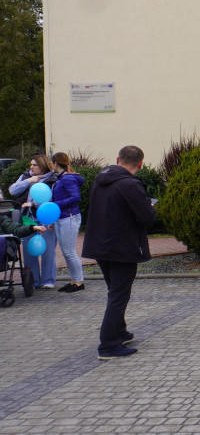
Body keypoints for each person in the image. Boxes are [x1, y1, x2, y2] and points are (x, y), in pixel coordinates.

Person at [81, 146, 157, 359]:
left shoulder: (100, 179)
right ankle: (108, 345)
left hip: (100, 244)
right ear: (140, 164)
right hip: (121, 246)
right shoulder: (130, 185)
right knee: (118, 295)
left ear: (117, 159)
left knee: (114, 290)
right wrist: (150, 208)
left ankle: (119, 331)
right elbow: (146, 217)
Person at [9, 154, 59, 289]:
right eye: (30, 164)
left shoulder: (53, 179)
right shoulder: (26, 176)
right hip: (27, 219)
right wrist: (29, 181)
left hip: (46, 218)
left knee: (48, 251)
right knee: (28, 251)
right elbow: (13, 190)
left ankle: (48, 280)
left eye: (34, 165)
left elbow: (51, 198)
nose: (31, 167)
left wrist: (32, 204)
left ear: (43, 165)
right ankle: (33, 281)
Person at [50, 153, 86, 293]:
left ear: (55, 163)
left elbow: (75, 197)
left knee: (70, 252)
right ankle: (74, 280)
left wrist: (56, 204)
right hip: (63, 217)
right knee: (66, 252)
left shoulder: (67, 178)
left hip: (69, 217)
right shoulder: (61, 179)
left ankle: (79, 282)